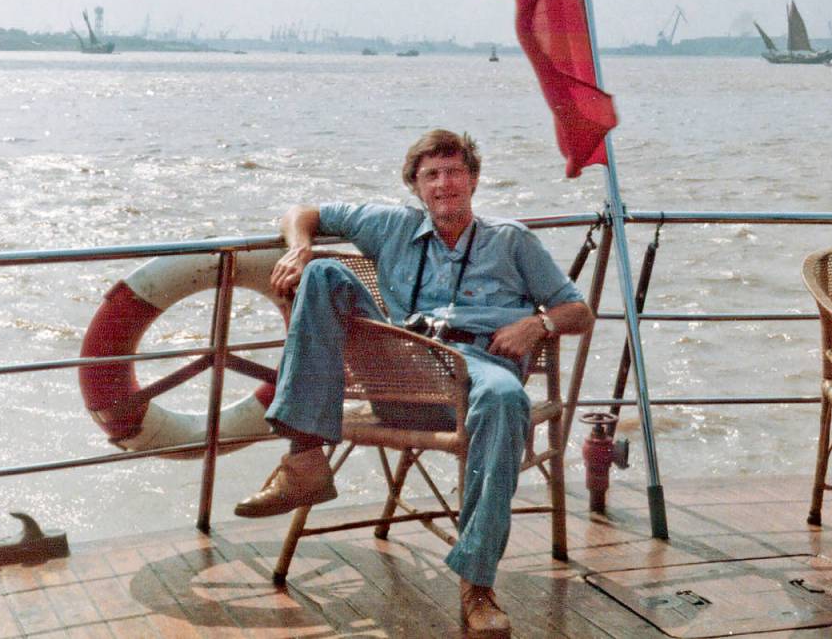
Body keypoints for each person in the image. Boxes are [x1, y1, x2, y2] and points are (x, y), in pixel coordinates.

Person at [235, 129, 592, 636]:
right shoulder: (392, 226)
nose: (444, 184)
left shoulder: (511, 240)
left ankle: (477, 585)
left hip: (479, 367)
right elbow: (303, 213)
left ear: (473, 180)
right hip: (405, 371)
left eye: (454, 172)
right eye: (432, 175)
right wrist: (299, 249)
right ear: (416, 186)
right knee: (320, 275)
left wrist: (537, 324)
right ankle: (306, 457)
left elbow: (578, 311)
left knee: (506, 398)